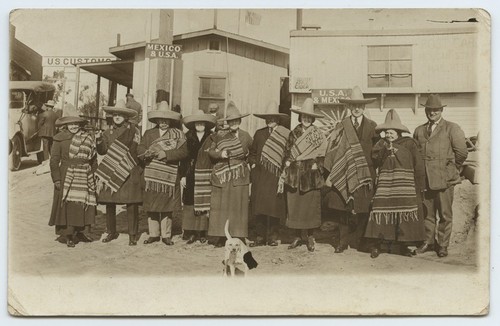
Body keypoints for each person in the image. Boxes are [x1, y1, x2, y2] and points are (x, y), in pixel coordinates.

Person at [323, 86, 378, 254]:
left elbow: (376, 151)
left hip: (364, 173)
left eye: (359, 106)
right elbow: (332, 149)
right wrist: (331, 173)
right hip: (344, 172)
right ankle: (342, 241)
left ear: (364, 108)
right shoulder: (341, 126)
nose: (356, 109)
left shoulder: (372, 126)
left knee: (363, 208)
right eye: (353, 106)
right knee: (343, 209)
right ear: (348, 107)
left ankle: (361, 241)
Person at [364, 109, 426, 258]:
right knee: (379, 211)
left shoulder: (409, 143)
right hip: (386, 186)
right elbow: (375, 161)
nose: (389, 134)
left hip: (405, 185)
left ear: (399, 132)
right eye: (387, 131)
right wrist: (385, 150)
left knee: (405, 214)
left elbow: (418, 164)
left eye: (392, 131)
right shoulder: (380, 144)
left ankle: (404, 245)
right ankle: (377, 245)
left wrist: (420, 185)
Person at [413, 94, 468, 258]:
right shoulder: (419, 130)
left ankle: (442, 245)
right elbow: (416, 154)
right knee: (427, 214)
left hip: (445, 181)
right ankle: (428, 242)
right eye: (429, 110)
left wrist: (450, 169)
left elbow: (462, 153)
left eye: (436, 110)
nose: (432, 112)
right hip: (426, 180)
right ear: (426, 111)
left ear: (441, 110)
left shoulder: (452, 128)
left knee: (445, 214)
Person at [138, 101, 188, 246]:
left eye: (166, 120)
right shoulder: (149, 134)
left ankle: (166, 235)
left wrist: (165, 154)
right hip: (152, 174)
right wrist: (145, 153)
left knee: (167, 205)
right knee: (152, 204)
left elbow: (184, 152)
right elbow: (140, 148)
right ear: (157, 120)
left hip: (168, 174)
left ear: (170, 121)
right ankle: (153, 234)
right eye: (161, 120)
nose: (164, 123)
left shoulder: (178, 135)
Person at [279, 98, 326, 252]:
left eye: (309, 117)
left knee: (310, 208)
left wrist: (317, 164)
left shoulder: (318, 134)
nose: (306, 119)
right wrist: (287, 163)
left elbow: (323, 154)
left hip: (311, 176)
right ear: (300, 118)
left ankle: (311, 237)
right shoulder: (294, 133)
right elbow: (287, 152)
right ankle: (297, 236)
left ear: (312, 119)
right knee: (296, 207)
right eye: (304, 117)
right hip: (295, 175)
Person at [95, 99, 143, 246]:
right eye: (115, 114)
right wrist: (98, 140)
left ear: (126, 116)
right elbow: (102, 151)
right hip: (111, 169)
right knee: (110, 203)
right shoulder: (107, 132)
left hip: (128, 169)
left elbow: (136, 150)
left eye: (120, 114)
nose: (117, 117)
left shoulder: (133, 130)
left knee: (131, 204)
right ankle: (111, 231)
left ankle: (132, 234)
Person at [207, 101, 253, 247]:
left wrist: (251, 163)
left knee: (239, 206)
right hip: (224, 173)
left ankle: (239, 235)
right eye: (231, 121)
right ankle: (221, 236)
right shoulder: (220, 135)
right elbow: (211, 152)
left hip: (240, 174)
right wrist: (221, 153)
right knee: (223, 206)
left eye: (236, 120)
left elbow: (253, 153)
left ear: (240, 121)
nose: (234, 123)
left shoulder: (246, 136)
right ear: (228, 122)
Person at [48, 116, 97, 247]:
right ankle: (68, 234)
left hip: (84, 173)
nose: (74, 126)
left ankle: (80, 231)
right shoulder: (59, 138)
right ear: (66, 125)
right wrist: (57, 178)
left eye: (76, 123)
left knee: (82, 203)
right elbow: (54, 160)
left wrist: (93, 173)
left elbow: (93, 158)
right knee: (68, 204)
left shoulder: (87, 137)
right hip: (66, 173)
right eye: (71, 124)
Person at [249, 101, 290, 247]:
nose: (270, 120)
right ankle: (260, 237)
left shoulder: (285, 134)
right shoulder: (259, 134)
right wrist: (253, 165)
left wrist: (285, 167)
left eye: (273, 118)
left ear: (278, 119)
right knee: (259, 207)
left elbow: (288, 153)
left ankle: (273, 237)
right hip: (260, 175)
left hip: (275, 175)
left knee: (273, 208)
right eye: (268, 118)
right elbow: (252, 153)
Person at [179, 110, 217, 244]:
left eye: (202, 122)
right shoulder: (187, 137)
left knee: (204, 201)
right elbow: (183, 158)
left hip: (206, 172)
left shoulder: (212, 137)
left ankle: (202, 232)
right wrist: (183, 175)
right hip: (190, 172)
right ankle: (190, 232)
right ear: (194, 124)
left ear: (206, 124)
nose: (200, 125)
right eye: (197, 122)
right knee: (190, 202)